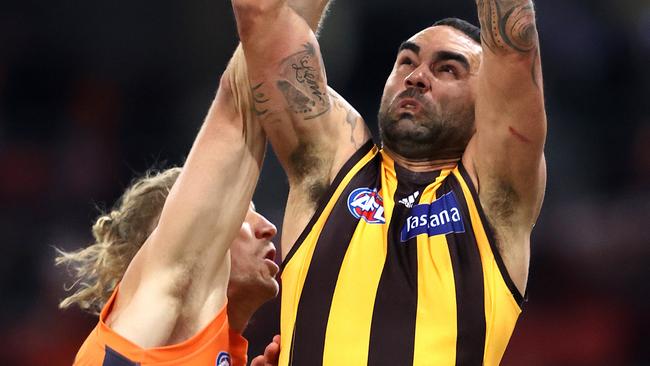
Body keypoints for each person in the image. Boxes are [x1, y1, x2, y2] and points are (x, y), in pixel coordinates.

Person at [231, 0, 547, 364]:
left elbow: (514, 53)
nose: (416, 77)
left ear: (487, 104)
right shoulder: (333, 164)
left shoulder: (494, 196)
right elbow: (261, 17)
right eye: (406, 62)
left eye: (448, 69)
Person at [57, 1, 337, 364]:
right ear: (178, 230)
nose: (269, 228)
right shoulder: (155, 313)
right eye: (243, 213)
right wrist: (273, 21)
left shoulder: (215, 347)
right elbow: (239, 105)